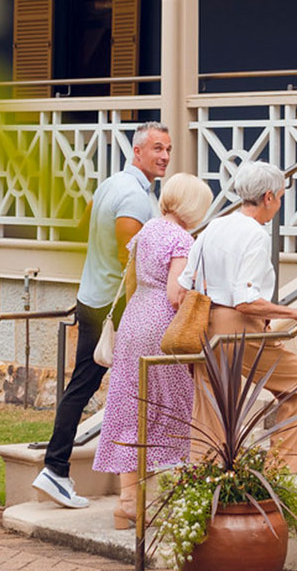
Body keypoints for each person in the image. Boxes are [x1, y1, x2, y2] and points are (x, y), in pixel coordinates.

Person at [32, 121, 173, 508]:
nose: (163, 156)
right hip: (112, 307)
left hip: (92, 297)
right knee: (97, 386)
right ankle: (57, 469)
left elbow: (84, 229)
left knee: (88, 384)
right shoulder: (134, 198)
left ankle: (61, 469)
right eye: (156, 149)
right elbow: (137, 263)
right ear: (137, 152)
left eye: (168, 150)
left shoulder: (111, 184)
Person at [177, 160, 297, 476]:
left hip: (204, 324)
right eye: (281, 197)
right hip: (236, 327)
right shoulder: (255, 235)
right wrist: (295, 312)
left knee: (210, 406)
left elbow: (184, 284)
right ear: (269, 197)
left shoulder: (216, 225)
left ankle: (204, 479)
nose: (280, 204)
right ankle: (281, 468)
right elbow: (245, 300)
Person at [91, 172, 212, 528]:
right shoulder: (182, 239)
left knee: (132, 404)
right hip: (161, 322)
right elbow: (176, 293)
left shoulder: (148, 229)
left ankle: (128, 502)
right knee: (173, 404)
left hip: (134, 317)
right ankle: (162, 498)